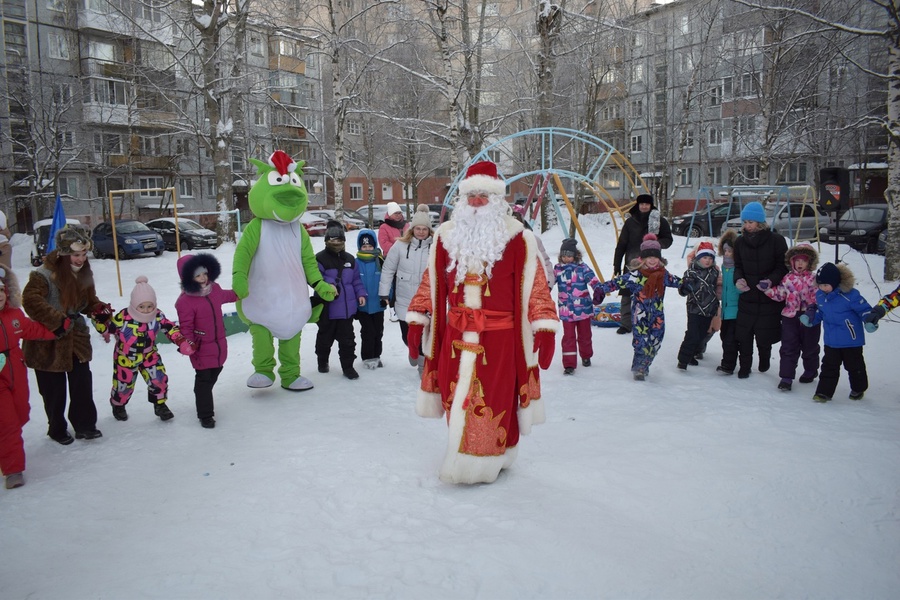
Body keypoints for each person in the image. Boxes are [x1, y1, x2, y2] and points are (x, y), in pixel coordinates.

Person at [406, 160, 559, 484]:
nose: (476, 201)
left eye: (484, 195)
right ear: (462, 198)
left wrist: (544, 325)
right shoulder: (446, 237)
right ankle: (469, 452)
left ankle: (478, 463)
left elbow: (536, 286)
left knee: (492, 398)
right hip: (455, 337)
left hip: (499, 342)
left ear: (497, 199)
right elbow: (431, 282)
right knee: (453, 395)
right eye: (471, 194)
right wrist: (418, 316)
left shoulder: (518, 239)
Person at [22, 226, 111, 445]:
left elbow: (88, 302)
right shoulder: (42, 275)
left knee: (82, 383)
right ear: (63, 253)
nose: (81, 259)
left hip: (76, 340)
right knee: (53, 391)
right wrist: (58, 321)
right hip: (47, 342)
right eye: (76, 254)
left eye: (83, 254)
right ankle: (56, 427)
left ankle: (85, 425)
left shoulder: (83, 274)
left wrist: (98, 309)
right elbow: (31, 301)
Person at [94, 277, 194, 422]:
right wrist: (100, 320)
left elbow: (170, 328)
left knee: (159, 379)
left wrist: (182, 341)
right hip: (126, 356)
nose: (146, 310)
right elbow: (108, 328)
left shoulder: (157, 315)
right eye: (142, 306)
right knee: (123, 384)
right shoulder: (124, 316)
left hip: (149, 354)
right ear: (134, 305)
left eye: (150, 306)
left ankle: (160, 405)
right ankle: (118, 404)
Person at [0, 267, 61, 489]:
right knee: (7, 423)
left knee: (20, 413)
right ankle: (13, 469)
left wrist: (56, 331)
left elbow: (31, 329)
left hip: (15, 367)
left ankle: (6, 443)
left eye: (1, 290)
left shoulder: (14, 315)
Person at [596, 233, 682, 380]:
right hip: (640, 315)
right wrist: (601, 289)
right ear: (642, 259)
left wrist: (687, 286)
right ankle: (639, 368)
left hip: (657, 315)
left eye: (655, 257)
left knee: (655, 342)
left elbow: (678, 281)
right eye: (649, 257)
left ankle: (644, 364)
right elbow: (617, 282)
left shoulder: (663, 274)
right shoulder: (635, 276)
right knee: (641, 342)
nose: (652, 260)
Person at [175, 253, 239, 429]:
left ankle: (202, 394)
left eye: (204, 273)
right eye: (197, 275)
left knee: (216, 370)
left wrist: (240, 293)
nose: (203, 278)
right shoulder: (185, 301)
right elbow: (186, 326)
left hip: (219, 343)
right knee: (203, 379)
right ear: (188, 278)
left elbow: (228, 296)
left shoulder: (214, 289)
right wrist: (187, 343)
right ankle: (206, 414)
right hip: (200, 346)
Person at [799, 262, 871, 402]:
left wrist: (869, 320)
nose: (822, 288)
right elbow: (820, 313)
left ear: (835, 282)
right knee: (828, 367)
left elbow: (864, 309)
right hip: (831, 341)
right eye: (820, 285)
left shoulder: (850, 295)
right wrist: (811, 320)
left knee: (854, 366)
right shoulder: (820, 296)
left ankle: (858, 388)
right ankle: (823, 393)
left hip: (851, 340)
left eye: (825, 285)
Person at [732, 201, 788, 378]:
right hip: (748, 295)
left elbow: (782, 266)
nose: (747, 225)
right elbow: (738, 265)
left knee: (765, 334)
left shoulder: (776, 241)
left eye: (751, 222)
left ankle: (764, 359)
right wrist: (738, 279)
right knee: (744, 334)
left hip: (768, 296)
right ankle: (745, 367)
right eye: (745, 222)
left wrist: (770, 281)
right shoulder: (739, 242)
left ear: (760, 222)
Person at [379, 205, 434, 370]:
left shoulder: (436, 247)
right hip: (404, 298)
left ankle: (422, 365)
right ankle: (413, 351)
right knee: (407, 336)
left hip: (426, 300)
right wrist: (383, 293)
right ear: (412, 229)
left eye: (425, 229)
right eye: (418, 228)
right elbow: (388, 269)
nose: (421, 232)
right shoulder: (400, 246)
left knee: (425, 334)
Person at [761, 243, 821, 391]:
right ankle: (786, 377)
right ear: (792, 262)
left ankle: (810, 370)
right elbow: (780, 294)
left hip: (809, 317)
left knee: (810, 346)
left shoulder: (814, 280)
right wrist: (767, 289)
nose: (800, 264)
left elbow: (818, 297)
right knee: (788, 347)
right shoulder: (787, 279)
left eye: (804, 260)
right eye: (797, 260)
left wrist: (813, 310)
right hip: (790, 316)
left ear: (809, 262)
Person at [612, 193, 673, 335]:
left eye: (647, 204)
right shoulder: (630, 222)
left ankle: (650, 322)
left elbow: (668, 240)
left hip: (652, 264)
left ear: (651, 205)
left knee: (650, 293)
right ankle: (626, 324)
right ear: (638, 205)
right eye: (642, 204)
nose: (644, 206)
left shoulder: (659, 221)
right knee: (627, 293)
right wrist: (616, 264)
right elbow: (621, 244)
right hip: (632, 262)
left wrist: (657, 244)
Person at [315, 221, 367, 380]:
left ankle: (348, 367)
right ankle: (322, 361)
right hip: (328, 310)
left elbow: (356, 280)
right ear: (326, 241)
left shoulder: (351, 259)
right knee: (325, 339)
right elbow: (316, 279)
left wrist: (361, 294)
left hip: (346, 311)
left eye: (339, 240)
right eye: (332, 240)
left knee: (348, 341)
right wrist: (328, 286)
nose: (336, 243)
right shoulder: (320, 259)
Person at [553, 238, 601, 375]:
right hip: (566, 310)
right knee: (568, 337)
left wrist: (598, 290)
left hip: (583, 309)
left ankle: (586, 355)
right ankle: (569, 364)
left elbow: (593, 280)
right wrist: (545, 289)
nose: (566, 259)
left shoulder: (582, 268)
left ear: (575, 255)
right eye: (564, 256)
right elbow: (548, 281)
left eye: (569, 256)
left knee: (585, 334)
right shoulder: (558, 269)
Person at [676, 241, 720, 370]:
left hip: (709, 309)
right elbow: (682, 289)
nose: (707, 261)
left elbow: (717, 287)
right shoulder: (691, 272)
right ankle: (683, 360)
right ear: (698, 258)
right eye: (704, 258)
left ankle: (692, 354)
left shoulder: (714, 272)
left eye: (710, 258)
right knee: (692, 334)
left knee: (701, 334)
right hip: (694, 308)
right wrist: (685, 288)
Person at [355, 229, 386, 369]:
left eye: (370, 246)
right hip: (363, 306)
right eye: (364, 247)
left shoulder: (380, 261)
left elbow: (387, 280)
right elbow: (353, 282)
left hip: (378, 304)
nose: (367, 249)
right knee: (368, 331)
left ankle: (376, 355)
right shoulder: (355, 263)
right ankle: (367, 357)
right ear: (359, 247)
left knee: (378, 331)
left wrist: (386, 296)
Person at [715, 230, 741, 375]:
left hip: (735, 310)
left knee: (730, 339)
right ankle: (727, 362)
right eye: (724, 250)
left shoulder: (738, 268)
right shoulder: (724, 268)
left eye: (730, 251)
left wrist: (741, 288)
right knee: (724, 336)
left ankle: (728, 365)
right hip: (725, 310)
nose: (726, 254)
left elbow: (741, 288)